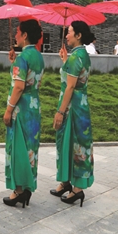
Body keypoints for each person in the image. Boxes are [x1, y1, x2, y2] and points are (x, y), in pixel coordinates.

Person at [51, 21, 94, 207]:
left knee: (74, 144)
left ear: (78, 35)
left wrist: (60, 112)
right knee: (71, 143)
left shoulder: (76, 57)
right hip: (80, 104)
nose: (66, 35)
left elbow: (70, 86)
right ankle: (67, 182)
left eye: (69, 32)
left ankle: (77, 189)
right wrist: (65, 61)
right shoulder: (81, 54)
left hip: (72, 107)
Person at [3, 19, 44, 208]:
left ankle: (18, 190)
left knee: (18, 148)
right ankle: (27, 187)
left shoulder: (22, 58)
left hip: (20, 109)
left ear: (25, 35)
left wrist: (8, 109)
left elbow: (19, 87)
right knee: (30, 148)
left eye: (18, 32)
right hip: (34, 107)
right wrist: (14, 63)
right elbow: (31, 81)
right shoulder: (38, 56)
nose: (16, 35)